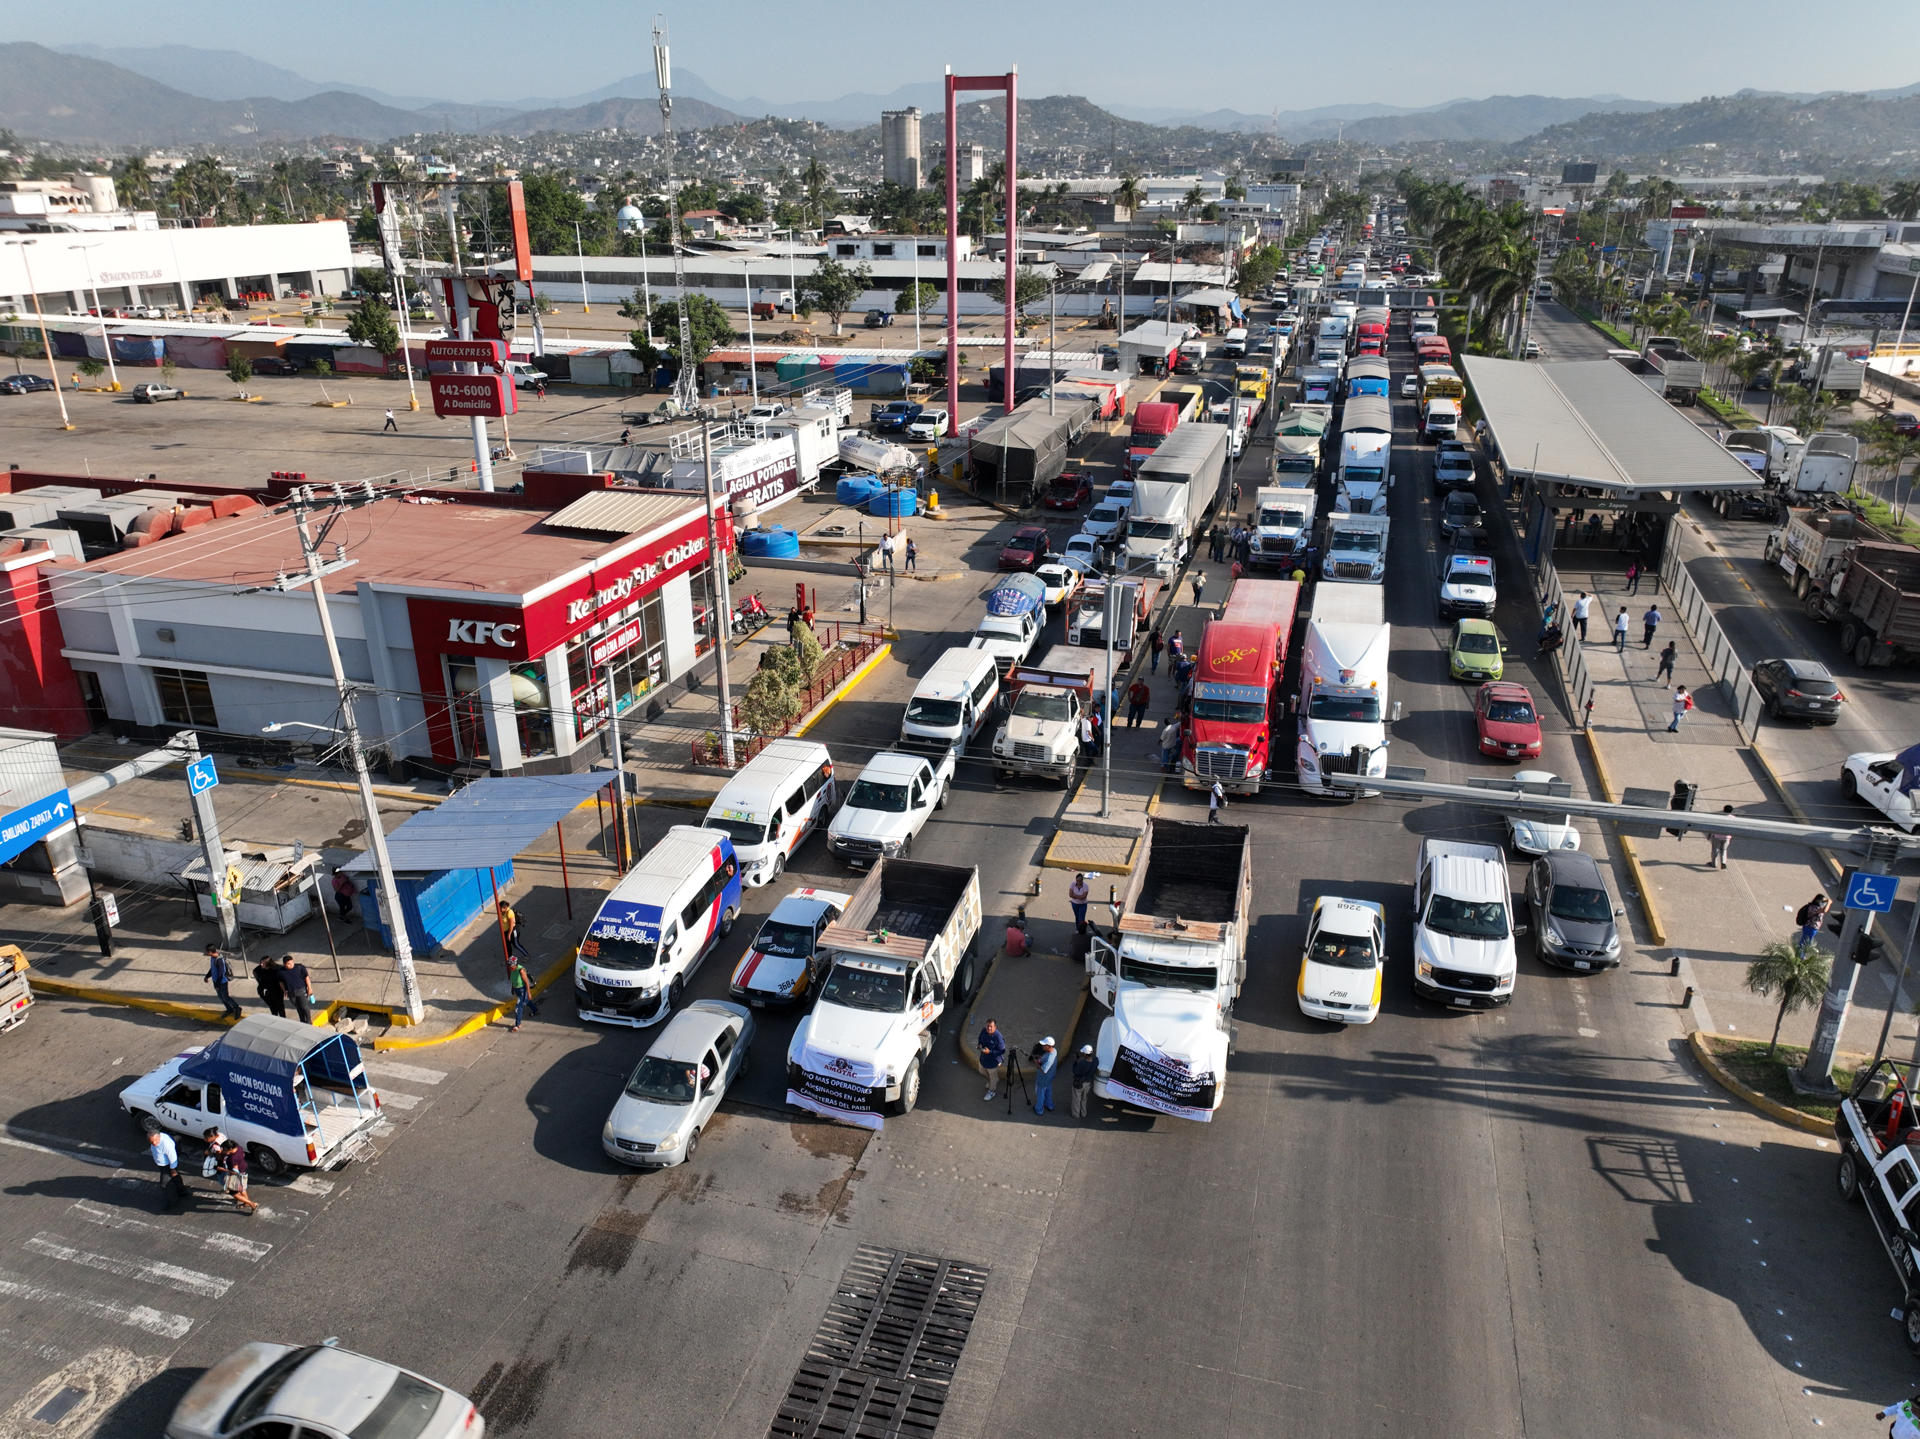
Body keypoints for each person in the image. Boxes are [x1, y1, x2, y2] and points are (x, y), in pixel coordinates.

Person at [147, 1124, 187, 1211]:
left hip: (167, 1166)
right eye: (151, 1142)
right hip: (163, 1165)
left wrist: (172, 1169)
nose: (154, 1143)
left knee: (164, 1184)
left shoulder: (166, 1144)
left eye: (155, 1141)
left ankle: (173, 1201)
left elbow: (172, 1157)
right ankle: (182, 1191)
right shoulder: (157, 1140)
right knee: (175, 1177)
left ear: (158, 1137)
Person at [217, 1139, 258, 1215]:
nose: (223, 1151)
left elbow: (234, 1172)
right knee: (242, 1189)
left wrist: (223, 1169)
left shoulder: (232, 1159)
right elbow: (243, 1155)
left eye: (224, 1149)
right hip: (244, 1169)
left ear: (230, 1149)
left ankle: (251, 1203)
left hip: (237, 1176)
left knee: (234, 1193)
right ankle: (246, 1203)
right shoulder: (239, 1148)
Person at [203, 944, 242, 1020]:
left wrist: (217, 985)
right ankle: (229, 1009)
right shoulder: (212, 958)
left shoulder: (220, 960)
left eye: (207, 952)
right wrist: (207, 976)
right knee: (221, 997)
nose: (206, 953)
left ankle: (237, 1008)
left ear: (210, 952)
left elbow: (221, 974)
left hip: (222, 982)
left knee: (225, 997)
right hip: (216, 981)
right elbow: (212, 969)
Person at [278, 954, 313, 1026]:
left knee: (304, 1006)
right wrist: (284, 991)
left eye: (292, 962)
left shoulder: (300, 967)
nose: (291, 965)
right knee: (298, 1008)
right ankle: (302, 1021)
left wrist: (309, 988)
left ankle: (309, 1021)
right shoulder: (281, 972)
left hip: (301, 990)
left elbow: (307, 978)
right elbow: (281, 982)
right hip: (291, 993)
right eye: (289, 964)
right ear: (284, 964)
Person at [507, 956, 538, 1032]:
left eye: (511, 966)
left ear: (515, 964)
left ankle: (517, 1024)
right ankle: (535, 1010)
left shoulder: (521, 970)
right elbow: (513, 980)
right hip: (517, 989)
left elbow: (527, 983)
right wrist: (512, 988)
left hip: (522, 990)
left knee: (518, 1007)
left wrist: (529, 993)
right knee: (526, 1001)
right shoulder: (512, 969)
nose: (510, 967)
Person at [978, 1020, 1006, 1101]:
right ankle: (992, 1080)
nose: (989, 1028)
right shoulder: (984, 1031)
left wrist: (989, 1052)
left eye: (991, 1026)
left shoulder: (998, 1037)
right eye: (988, 1026)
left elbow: (1002, 1050)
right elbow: (980, 1038)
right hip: (983, 1058)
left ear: (995, 1027)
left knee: (992, 1077)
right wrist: (979, 1044)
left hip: (993, 1061)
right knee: (982, 1071)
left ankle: (992, 1091)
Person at [1070, 1044, 1097, 1119]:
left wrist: (1075, 1062)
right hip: (1088, 1083)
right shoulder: (1095, 1061)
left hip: (1079, 1083)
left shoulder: (1082, 1063)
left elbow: (1075, 1071)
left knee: (1077, 1098)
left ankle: (1076, 1114)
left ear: (1085, 1054)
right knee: (1084, 1099)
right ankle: (1083, 1113)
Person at [1033, 1037, 1058, 1115]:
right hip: (1050, 1077)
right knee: (1048, 1091)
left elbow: (1044, 1070)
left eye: (1044, 1045)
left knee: (1041, 1093)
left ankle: (1039, 1109)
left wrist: (1036, 1062)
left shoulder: (1049, 1058)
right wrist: (1041, 1059)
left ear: (1049, 1046)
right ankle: (1049, 1105)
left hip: (1043, 1079)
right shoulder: (1054, 1051)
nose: (1043, 1046)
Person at [1708, 804, 1734, 869]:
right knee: (1724, 850)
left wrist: (1710, 834)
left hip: (1717, 836)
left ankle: (1714, 864)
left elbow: (1713, 826)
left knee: (1715, 850)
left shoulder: (1719, 817)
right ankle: (1723, 862)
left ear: (1723, 809)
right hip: (1727, 837)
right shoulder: (1733, 818)